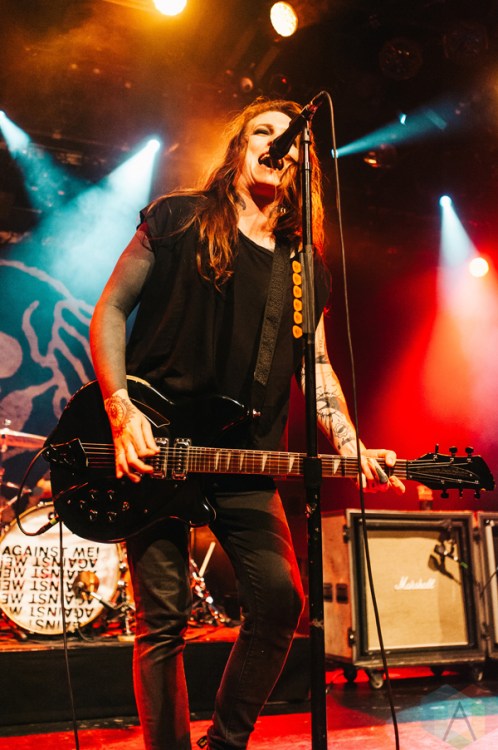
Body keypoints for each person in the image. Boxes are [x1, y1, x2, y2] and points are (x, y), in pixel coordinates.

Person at [89, 97, 405, 750]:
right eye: (264, 131)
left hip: (244, 455)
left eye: (291, 141)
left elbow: (316, 366)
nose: (278, 144)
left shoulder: (303, 266)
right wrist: (120, 410)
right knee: (163, 621)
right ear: (239, 148)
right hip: (153, 443)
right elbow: (112, 309)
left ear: (302, 167)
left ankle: (225, 743)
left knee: (281, 602)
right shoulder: (177, 218)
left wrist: (351, 442)